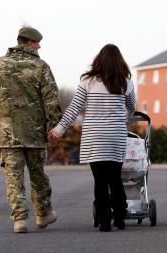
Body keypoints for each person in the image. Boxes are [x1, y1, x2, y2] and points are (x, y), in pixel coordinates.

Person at [48, 44, 136, 232]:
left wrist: (59, 128)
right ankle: (120, 217)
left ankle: (105, 222)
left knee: (100, 181)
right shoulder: (126, 82)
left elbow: (73, 108)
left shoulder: (88, 81)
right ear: (120, 61)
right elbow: (132, 107)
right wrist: (123, 119)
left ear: (99, 60)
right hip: (115, 137)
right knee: (115, 179)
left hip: (94, 138)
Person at [0, 26, 62, 233]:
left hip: (7, 132)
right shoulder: (41, 66)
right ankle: (43, 214)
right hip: (34, 132)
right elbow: (51, 98)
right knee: (38, 174)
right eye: (38, 42)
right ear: (30, 42)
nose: (40, 46)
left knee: (13, 178)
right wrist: (56, 124)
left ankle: (19, 220)